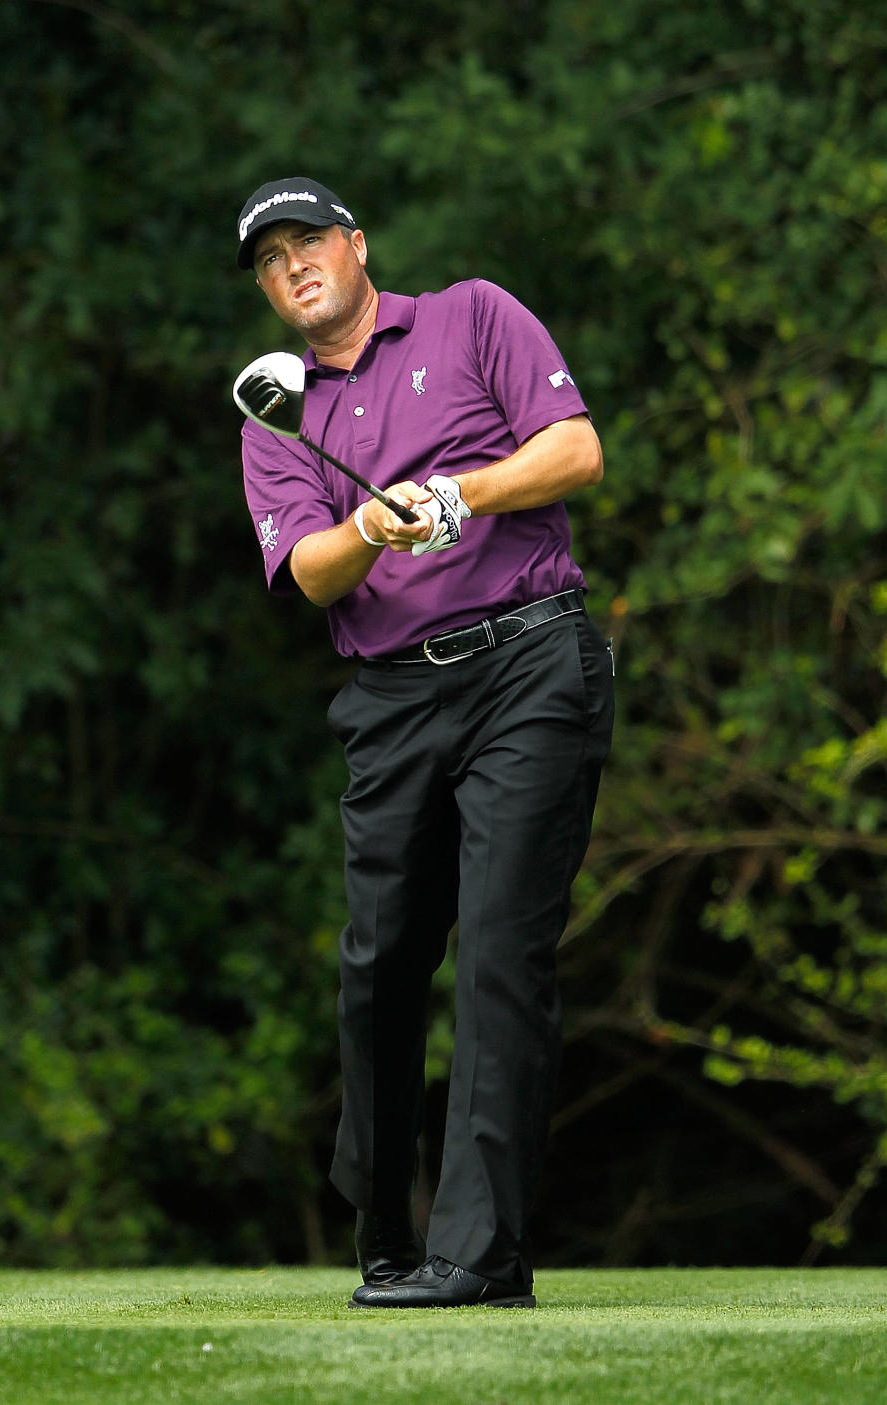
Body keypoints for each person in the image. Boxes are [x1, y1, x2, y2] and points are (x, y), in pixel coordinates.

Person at [235, 177, 614, 1309]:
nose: (295, 266)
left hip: (530, 665)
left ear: (358, 247)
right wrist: (365, 522)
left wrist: (462, 495)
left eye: (310, 243)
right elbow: (310, 574)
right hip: (393, 700)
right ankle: (386, 1234)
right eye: (271, 260)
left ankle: (483, 1257)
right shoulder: (279, 417)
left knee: (498, 950)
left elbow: (576, 450)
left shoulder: (471, 316)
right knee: (380, 966)